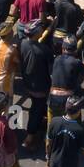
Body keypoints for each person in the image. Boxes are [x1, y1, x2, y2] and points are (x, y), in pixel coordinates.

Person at [18, 19, 54, 150]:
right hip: (40, 86)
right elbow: (51, 70)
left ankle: (40, 121)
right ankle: (29, 136)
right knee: (36, 110)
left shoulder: (21, 44)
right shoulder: (44, 50)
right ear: (37, 32)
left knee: (37, 105)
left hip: (28, 82)